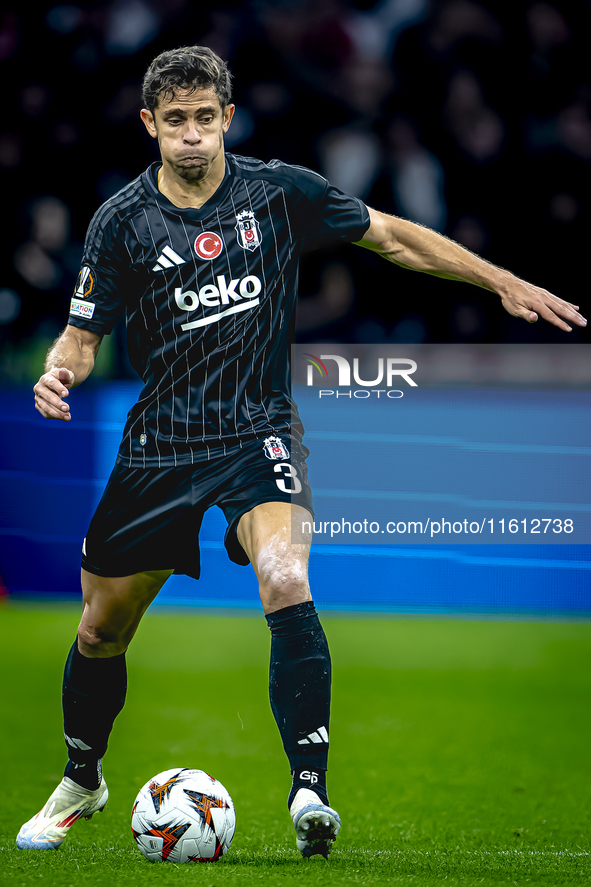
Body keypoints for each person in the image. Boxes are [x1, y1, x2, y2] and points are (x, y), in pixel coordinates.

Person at [18, 45, 585, 859]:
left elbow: (391, 237)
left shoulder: (277, 192)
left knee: (285, 576)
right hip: (160, 442)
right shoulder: (121, 221)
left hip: (259, 430)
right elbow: (80, 336)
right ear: (150, 125)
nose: (189, 136)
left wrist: (497, 279)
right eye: (173, 121)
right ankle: (83, 776)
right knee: (101, 629)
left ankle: (309, 789)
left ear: (226, 120)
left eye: (203, 119)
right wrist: (55, 373)